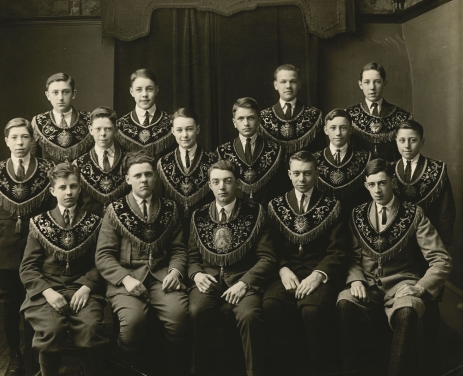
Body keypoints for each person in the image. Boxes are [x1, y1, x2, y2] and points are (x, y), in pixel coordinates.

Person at [336, 159, 452, 376]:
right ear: (365, 185)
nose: (377, 190)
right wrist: (355, 279)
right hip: (367, 283)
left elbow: (441, 259)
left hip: (403, 283)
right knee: (344, 303)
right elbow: (351, 257)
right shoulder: (357, 214)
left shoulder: (413, 214)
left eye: (382, 183)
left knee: (407, 312)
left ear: (393, 182)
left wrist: (421, 287)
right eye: (372, 185)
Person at [95, 150, 189, 374]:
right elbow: (103, 255)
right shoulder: (115, 210)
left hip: (161, 277)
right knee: (133, 322)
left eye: (148, 174)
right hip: (126, 280)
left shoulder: (169, 208)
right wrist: (126, 280)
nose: (144, 180)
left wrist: (175, 272)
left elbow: (178, 249)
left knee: (179, 316)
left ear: (155, 177)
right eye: (137, 176)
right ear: (127, 179)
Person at [263, 151, 350, 376]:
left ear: (316, 174)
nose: (302, 179)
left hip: (318, 272)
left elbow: (338, 251)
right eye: (297, 174)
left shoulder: (332, 205)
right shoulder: (276, 205)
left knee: (311, 309)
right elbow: (269, 246)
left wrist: (318, 274)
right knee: (271, 303)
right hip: (286, 272)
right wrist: (282, 269)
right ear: (289, 174)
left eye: (308, 174)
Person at [0, 118, 54, 376]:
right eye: (15, 138)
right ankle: (15, 356)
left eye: (25, 137)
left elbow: (51, 214)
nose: (20, 143)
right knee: (10, 305)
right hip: (5, 251)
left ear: (33, 140)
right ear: (6, 141)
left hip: (37, 252)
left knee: (34, 303)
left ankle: (34, 356)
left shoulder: (46, 170)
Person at [188, 159, 277, 376]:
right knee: (195, 311)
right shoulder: (199, 215)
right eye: (216, 182)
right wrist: (196, 274)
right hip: (208, 280)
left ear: (237, 183)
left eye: (227, 181)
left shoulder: (255, 211)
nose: (222, 187)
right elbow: (191, 256)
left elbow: (268, 258)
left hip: (242, 280)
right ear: (209, 185)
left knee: (249, 316)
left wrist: (245, 283)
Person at [20, 162, 108, 376]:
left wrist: (87, 287)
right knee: (52, 330)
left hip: (82, 290)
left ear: (80, 188)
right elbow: (28, 268)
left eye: (74, 186)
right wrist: (48, 292)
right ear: (52, 190)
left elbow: (101, 261)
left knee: (90, 329)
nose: (69, 192)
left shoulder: (95, 222)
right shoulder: (39, 222)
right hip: (47, 291)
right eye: (62, 187)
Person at [394, 120, 456, 247]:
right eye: (402, 140)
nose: (407, 146)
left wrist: (442, 245)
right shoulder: (389, 169)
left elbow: (446, 212)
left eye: (413, 140)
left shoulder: (437, 169)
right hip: (398, 241)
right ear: (396, 142)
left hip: (430, 240)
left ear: (422, 142)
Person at [217, 97, 282, 207]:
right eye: (241, 119)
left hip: (266, 209)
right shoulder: (223, 151)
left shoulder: (275, 149)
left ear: (259, 120)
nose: (246, 123)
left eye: (251, 118)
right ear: (234, 122)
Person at [157, 107, 217, 220]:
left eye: (189, 129)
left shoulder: (212, 160)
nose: (184, 135)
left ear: (197, 129)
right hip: (173, 224)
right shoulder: (164, 163)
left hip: (204, 221)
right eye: (179, 130)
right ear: (173, 131)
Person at [347, 62, 412, 162]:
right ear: (360, 85)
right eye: (367, 82)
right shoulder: (349, 115)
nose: (372, 87)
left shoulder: (402, 117)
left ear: (384, 83)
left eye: (377, 82)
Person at [73, 107, 129, 217]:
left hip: (122, 222)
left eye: (108, 129)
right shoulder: (79, 164)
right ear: (90, 130)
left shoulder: (128, 160)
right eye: (98, 129)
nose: (103, 134)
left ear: (115, 130)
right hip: (90, 224)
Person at [314, 109, 371, 216]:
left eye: (343, 128)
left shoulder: (365, 157)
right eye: (333, 128)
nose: (338, 133)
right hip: (323, 218)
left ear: (350, 130)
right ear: (326, 130)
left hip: (354, 216)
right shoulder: (315, 159)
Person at [259, 64, 325, 155]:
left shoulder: (314, 115)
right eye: (283, 82)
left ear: (299, 84)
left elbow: (320, 153)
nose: (288, 86)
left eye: (293, 81)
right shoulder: (262, 117)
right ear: (276, 85)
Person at [31, 73, 92, 163]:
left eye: (65, 92)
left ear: (73, 94)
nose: (60, 98)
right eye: (55, 92)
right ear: (48, 95)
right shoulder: (38, 121)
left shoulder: (89, 119)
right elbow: (33, 159)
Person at [116, 68, 174, 156]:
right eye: (139, 89)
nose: (144, 94)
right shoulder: (120, 125)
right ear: (132, 92)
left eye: (149, 89)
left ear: (156, 90)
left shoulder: (171, 123)